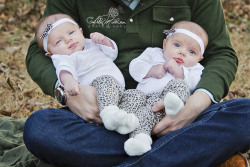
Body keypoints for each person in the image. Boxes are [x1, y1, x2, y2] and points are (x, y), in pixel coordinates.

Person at [23, 0, 250, 167]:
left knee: (246, 114)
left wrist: (196, 105)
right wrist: (68, 93)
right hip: (104, 115)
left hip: (176, 114)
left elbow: (221, 53)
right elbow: (39, 49)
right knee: (40, 129)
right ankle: (189, 153)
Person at [35, 13, 144, 135]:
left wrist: (105, 41)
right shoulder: (63, 58)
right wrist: (69, 81)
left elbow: (112, 53)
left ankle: (127, 128)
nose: (68, 39)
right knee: (106, 81)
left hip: (119, 92)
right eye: (59, 41)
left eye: (71, 33)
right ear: (51, 54)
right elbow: (64, 70)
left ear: (81, 32)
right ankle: (109, 116)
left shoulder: (91, 44)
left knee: (137, 96)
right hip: (95, 96)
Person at [124, 20, 208, 156]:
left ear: (200, 58)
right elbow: (135, 66)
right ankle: (127, 128)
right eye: (176, 45)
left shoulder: (195, 69)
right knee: (131, 97)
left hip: (167, 110)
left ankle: (141, 137)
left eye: (191, 51)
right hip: (143, 100)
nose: (182, 53)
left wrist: (179, 72)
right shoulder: (152, 53)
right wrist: (150, 70)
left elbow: (193, 83)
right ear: (164, 44)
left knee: (179, 86)